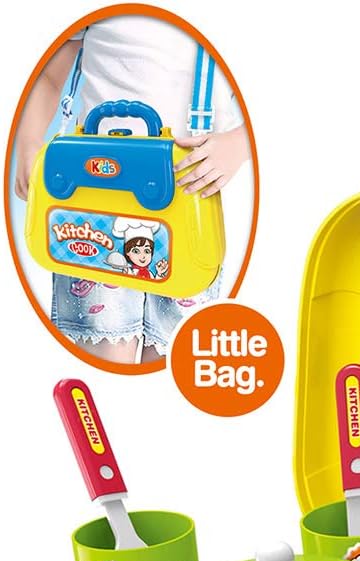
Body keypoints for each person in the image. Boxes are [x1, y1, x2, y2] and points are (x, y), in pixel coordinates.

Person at [13, 14, 251, 364]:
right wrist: (29, 142)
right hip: (93, 193)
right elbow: (50, 76)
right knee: (103, 348)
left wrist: (239, 143)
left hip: (190, 188)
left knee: (173, 353)